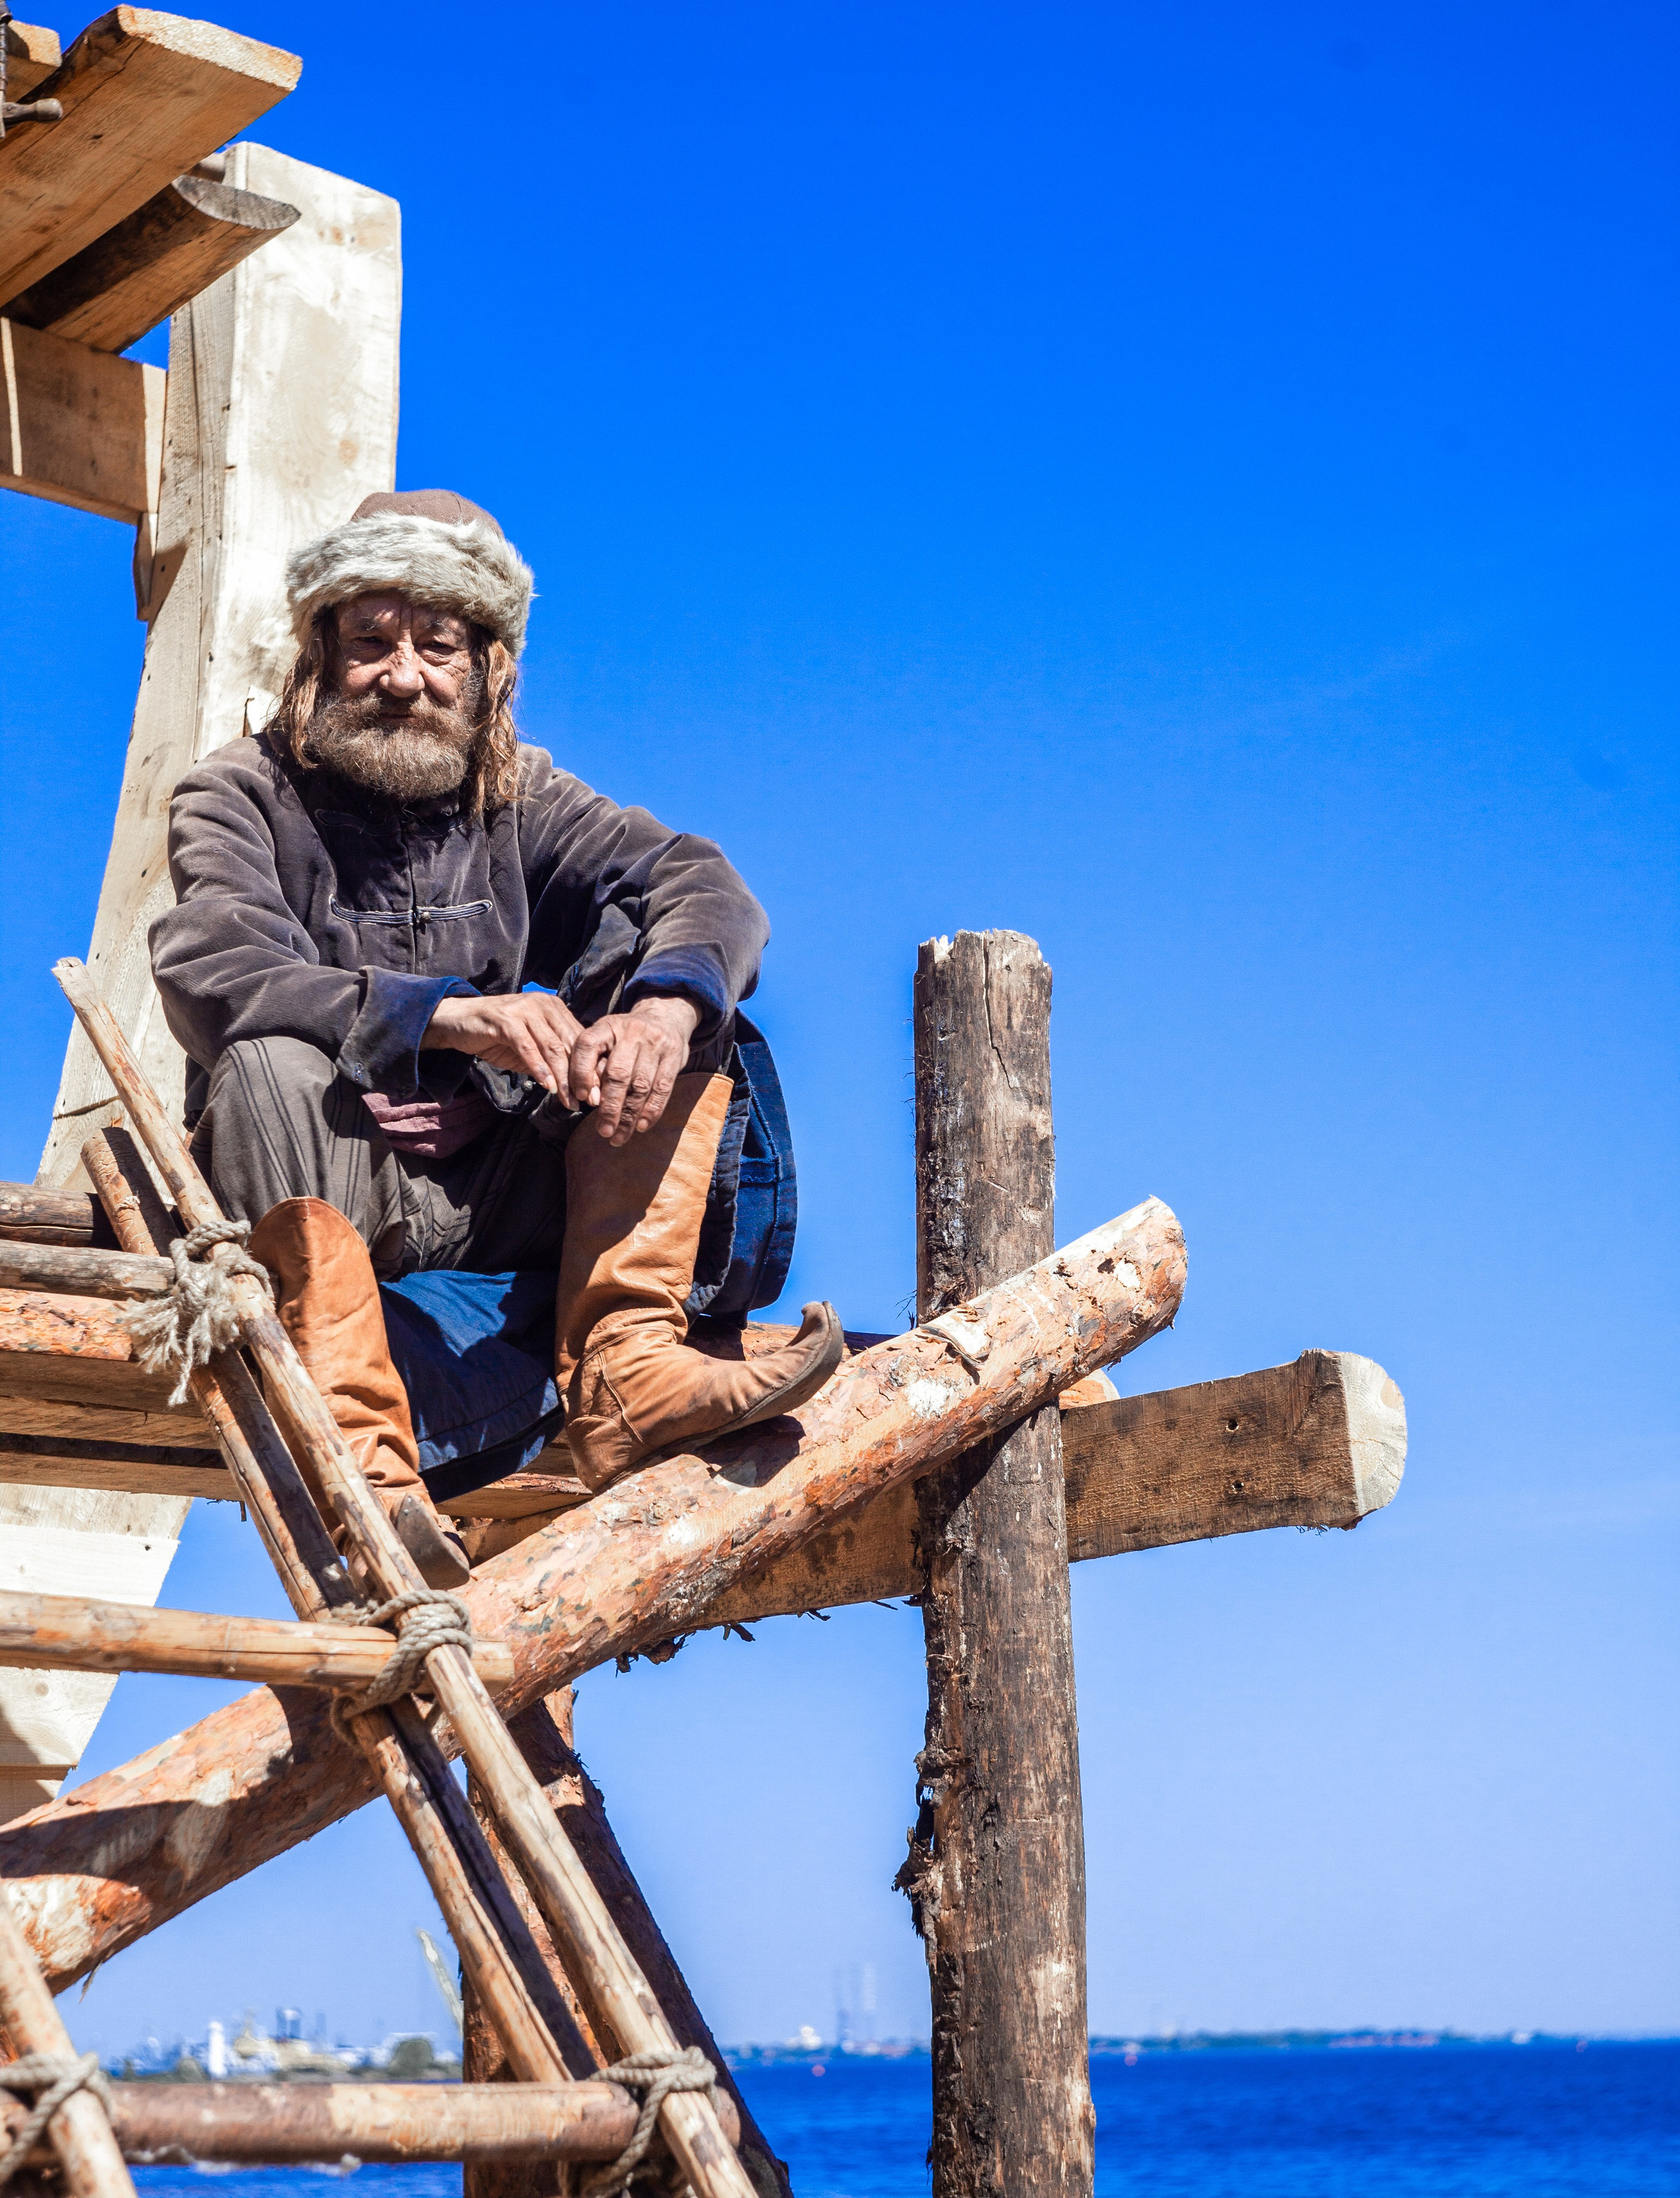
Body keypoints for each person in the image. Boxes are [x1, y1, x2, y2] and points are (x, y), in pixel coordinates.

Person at [150, 489, 841, 1586]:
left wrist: (660, 1012)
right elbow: (214, 967)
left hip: (504, 1193)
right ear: (319, 656)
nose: (404, 674)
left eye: (438, 647)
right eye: (371, 642)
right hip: (333, 1171)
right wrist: (447, 1021)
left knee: (675, 987)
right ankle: (361, 1457)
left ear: (488, 671)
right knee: (265, 1064)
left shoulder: (526, 797)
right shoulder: (240, 794)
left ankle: (625, 1354)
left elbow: (699, 882)